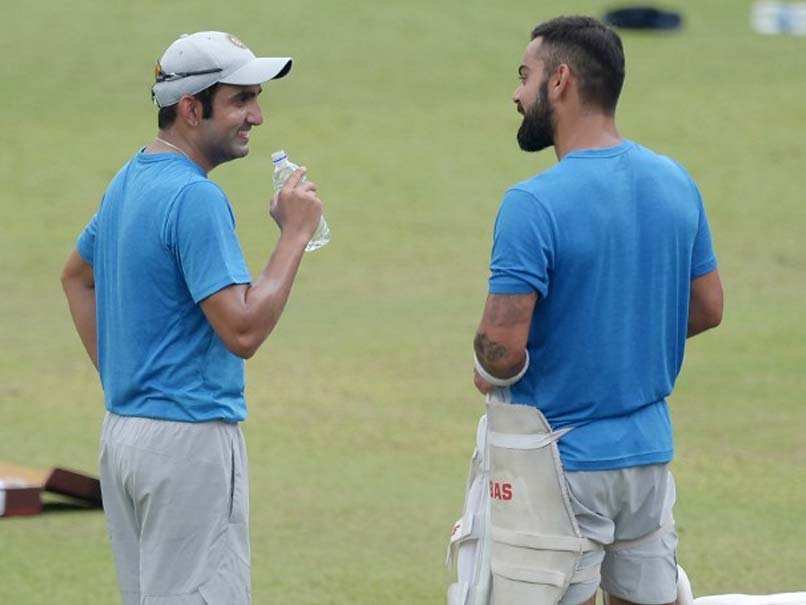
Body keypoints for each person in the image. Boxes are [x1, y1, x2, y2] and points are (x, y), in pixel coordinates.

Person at [60, 31, 323, 604]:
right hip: (187, 444)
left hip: (125, 436)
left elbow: (76, 276)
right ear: (190, 108)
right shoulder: (195, 198)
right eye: (241, 100)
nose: (256, 116)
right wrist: (295, 236)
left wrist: (125, 376)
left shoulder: (129, 179)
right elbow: (243, 329)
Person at [472, 16, 723, 605]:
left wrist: (488, 368)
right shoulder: (675, 181)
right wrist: (626, 334)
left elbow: (501, 349)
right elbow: (708, 307)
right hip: (648, 456)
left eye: (525, 75)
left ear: (560, 81)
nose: (517, 93)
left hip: (560, 461)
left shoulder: (533, 204)